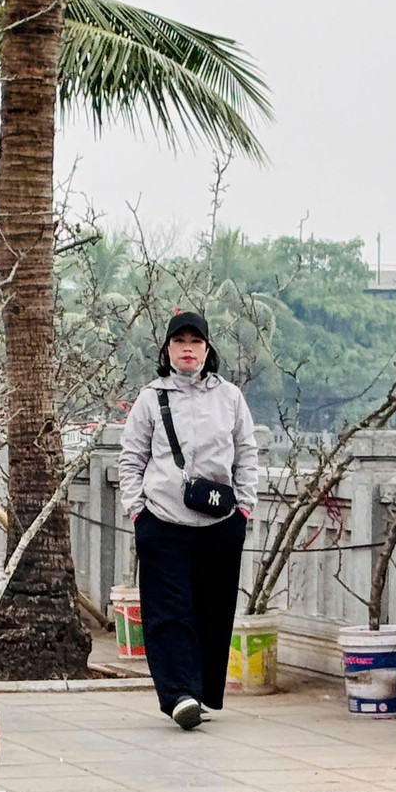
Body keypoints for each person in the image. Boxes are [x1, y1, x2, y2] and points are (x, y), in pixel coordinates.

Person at [118, 311, 258, 731]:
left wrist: (245, 508)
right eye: (179, 342)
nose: (187, 349)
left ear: (207, 349)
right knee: (169, 610)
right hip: (162, 519)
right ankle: (178, 695)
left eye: (195, 342)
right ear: (166, 350)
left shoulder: (230, 397)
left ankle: (201, 692)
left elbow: (246, 452)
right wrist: (137, 509)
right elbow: (131, 457)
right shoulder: (151, 397)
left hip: (219, 520)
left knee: (213, 611)